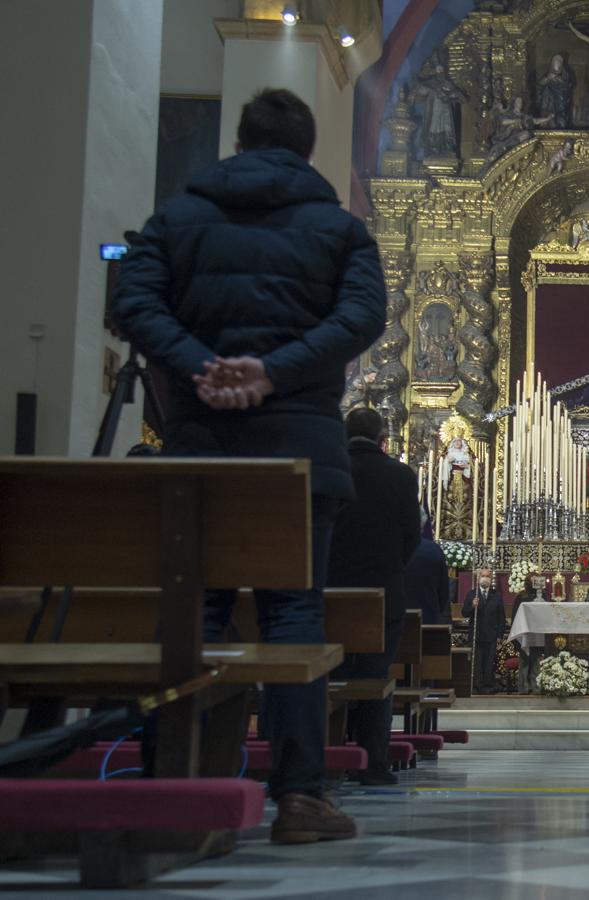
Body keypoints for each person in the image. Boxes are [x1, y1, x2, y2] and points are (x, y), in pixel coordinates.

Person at [114, 88, 385, 844]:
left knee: (195, 611)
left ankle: (175, 782)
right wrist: (273, 372)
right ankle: (299, 799)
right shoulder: (338, 230)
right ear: (305, 149)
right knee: (292, 615)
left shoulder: (176, 219)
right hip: (298, 448)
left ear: (238, 141)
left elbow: (132, 301)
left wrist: (202, 365)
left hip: (201, 446)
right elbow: (360, 318)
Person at [329, 407, 421, 785]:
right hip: (381, 593)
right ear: (383, 438)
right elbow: (412, 536)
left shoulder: (330, 469)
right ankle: (372, 764)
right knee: (375, 673)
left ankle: (330, 752)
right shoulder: (399, 475)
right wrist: (389, 568)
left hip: (329, 590)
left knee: (330, 669)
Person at [403, 507, 450, 626]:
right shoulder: (434, 550)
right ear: (423, 524)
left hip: (394, 617)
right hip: (427, 618)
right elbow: (443, 593)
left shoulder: (391, 547)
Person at [463, 569, 505, 693]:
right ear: (478, 578)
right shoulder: (472, 594)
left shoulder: (496, 595)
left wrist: (500, 634)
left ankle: (488, 686)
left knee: (488, 661)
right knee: (477, 661)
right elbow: (464, 613)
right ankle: (476, 686)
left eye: (487, 576)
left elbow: (501, 617)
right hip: (477, 633)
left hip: (491, 635)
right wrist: (472, 606)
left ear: (491, 579)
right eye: (483, 576)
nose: (485, 578)